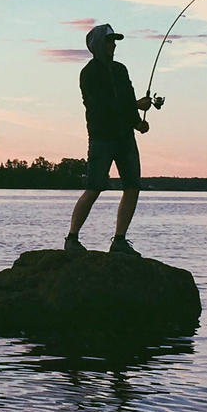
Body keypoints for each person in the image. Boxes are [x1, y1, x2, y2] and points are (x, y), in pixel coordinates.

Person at [65, 23, 153, 256]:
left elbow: (127, 98)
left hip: (126, 137)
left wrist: (137, 122)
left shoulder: (121, 70)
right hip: (101, 138)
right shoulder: (89, 73)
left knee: (133, 186)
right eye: (109, 41)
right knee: (94, 187)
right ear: (97, 45)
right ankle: (72, 237)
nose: (113, 45)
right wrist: (135, 106)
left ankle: (120, 240)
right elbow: (101, 105)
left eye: (114, 41)